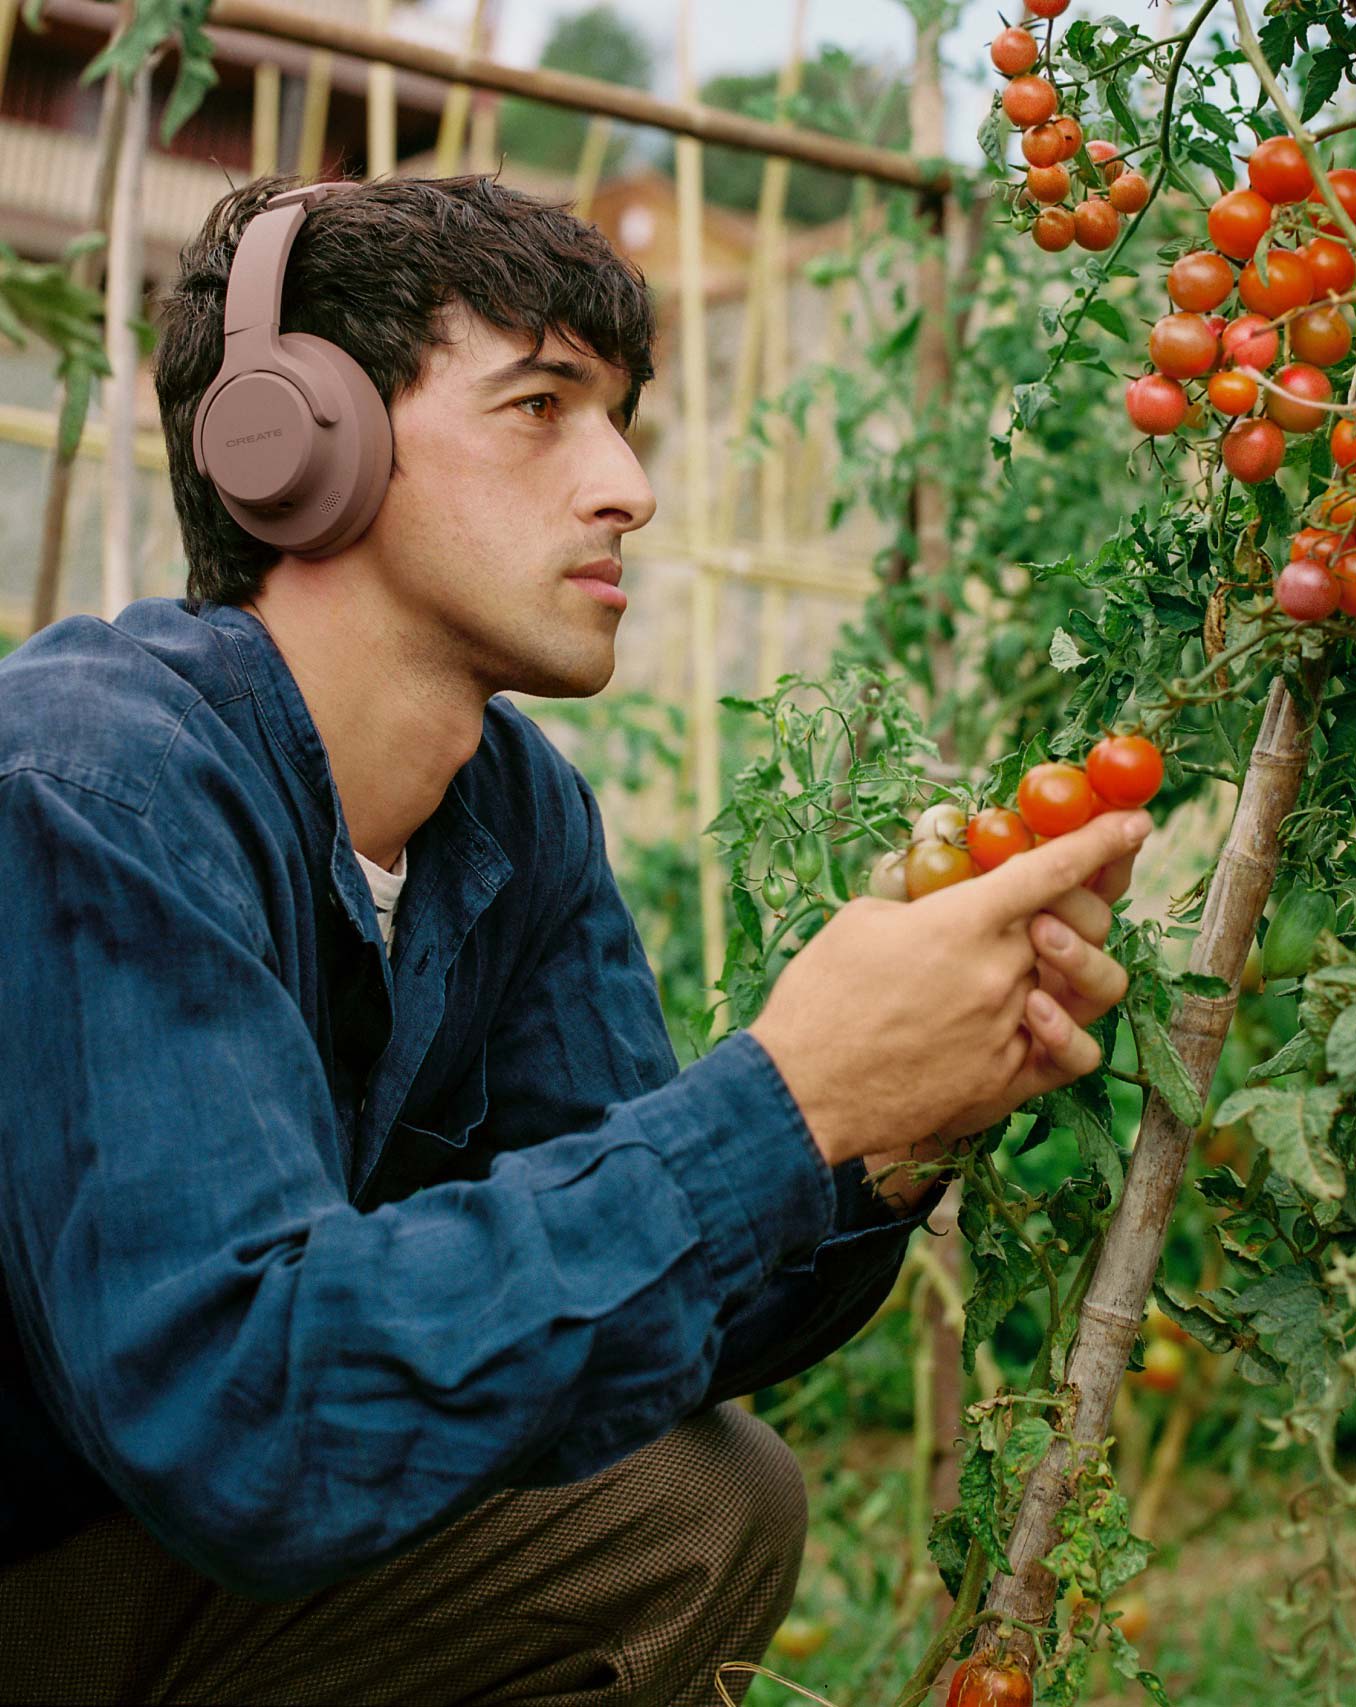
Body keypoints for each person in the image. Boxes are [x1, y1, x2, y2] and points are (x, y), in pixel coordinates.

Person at [0, 174, 1149, 1706]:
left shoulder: (512, 812)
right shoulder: (94, 781)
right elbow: (243, 1414)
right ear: (294, 442)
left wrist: (885, 1129)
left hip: (176, 1536)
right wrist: (790, 1091)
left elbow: (656, 1300)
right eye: (541, 406)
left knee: (688, 1506)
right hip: (56, 1555)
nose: (628, 486)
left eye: (624, 419)